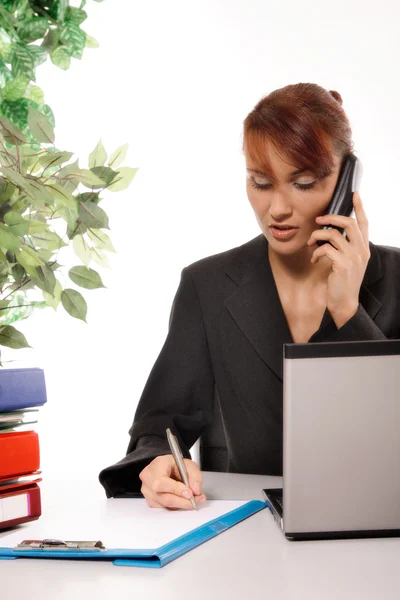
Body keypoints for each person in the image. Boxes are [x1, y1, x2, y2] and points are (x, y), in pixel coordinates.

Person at [99, 82, 400, 508]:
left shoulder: (396, 279)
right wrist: (160, 462)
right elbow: (160, 421)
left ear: (346, 181)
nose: (277, 208)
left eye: (304, 182)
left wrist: (349, 311)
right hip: (249, 535)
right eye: (260, 182)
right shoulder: (207, 285)